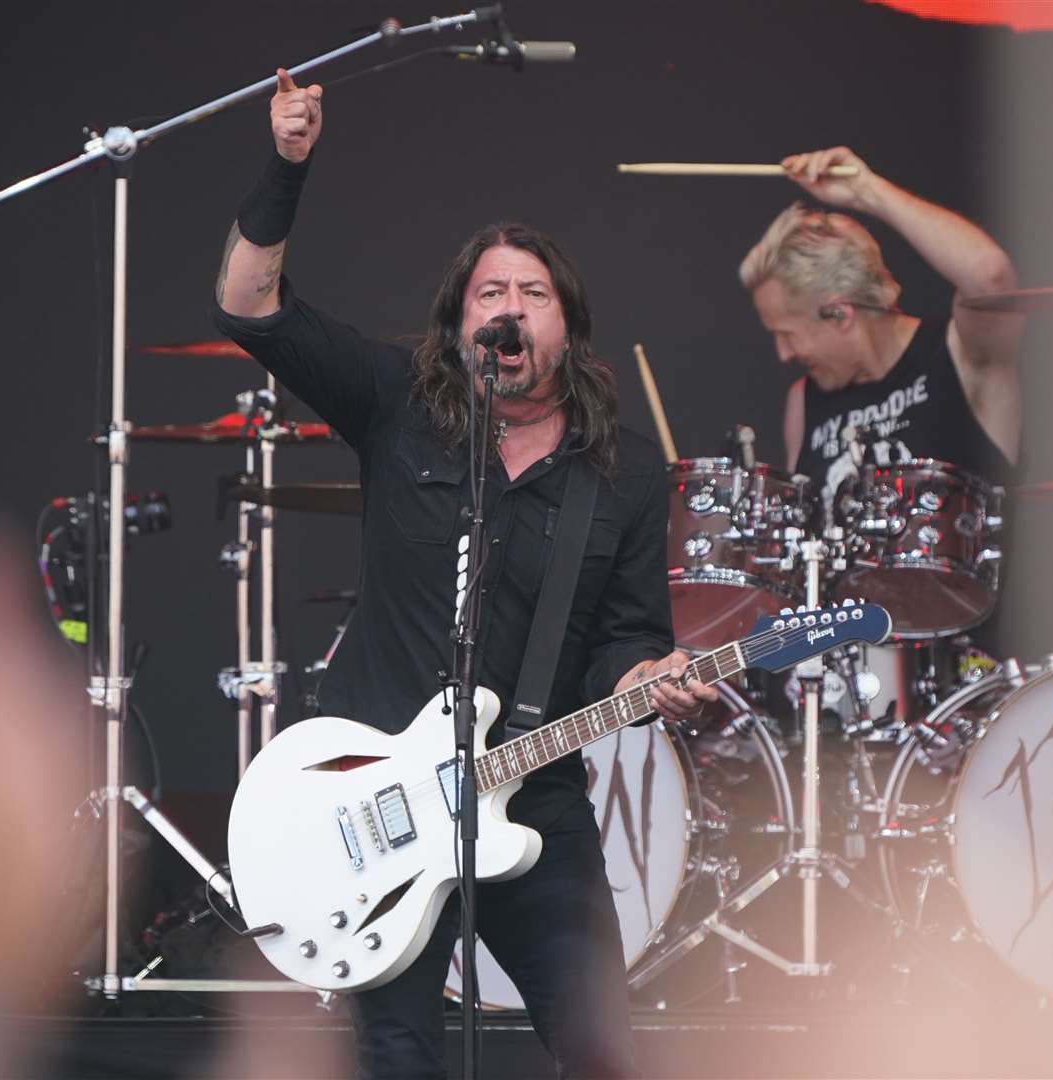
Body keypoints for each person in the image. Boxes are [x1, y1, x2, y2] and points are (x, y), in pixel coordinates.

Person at [212, 71, 718, 1079]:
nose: (512, 310)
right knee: (400, 1055)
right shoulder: (400, 402)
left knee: (604, 1048)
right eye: (492, 292)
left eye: (534, 295)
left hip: (530, 792)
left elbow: (626, 630)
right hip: (373, 799)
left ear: (567, 327)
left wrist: (641, 681)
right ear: (458, 321)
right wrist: (286, 164)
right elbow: (248, 305)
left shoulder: (620, 475)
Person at [739, 146, 1022, 496]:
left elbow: (990, 276)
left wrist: (866, 190)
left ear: (839, 314)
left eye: (787, 334)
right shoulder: (804, 400)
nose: (782, 354)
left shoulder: (961, 355)